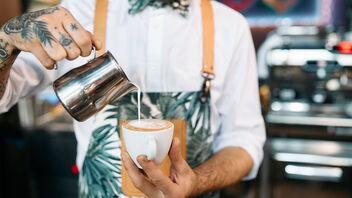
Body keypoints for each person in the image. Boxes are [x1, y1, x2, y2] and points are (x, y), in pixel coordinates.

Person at [0, 0, 266, 197]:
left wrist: (197, 181)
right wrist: (7, 41)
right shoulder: (78, 12)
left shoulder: (230, 26)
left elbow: (244, 141)